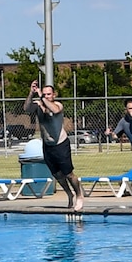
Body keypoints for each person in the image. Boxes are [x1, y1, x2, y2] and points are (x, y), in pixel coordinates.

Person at [26, 81, 83, 212]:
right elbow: (27, 108)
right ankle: (69, 194)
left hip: (60, 144)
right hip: (47, 145)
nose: (46, 96)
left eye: (48, 94)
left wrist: (41, 98)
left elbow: (54, 110)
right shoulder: (39, 105)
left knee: (69, 174)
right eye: (44, 94)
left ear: (54, 95)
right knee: (57, 175)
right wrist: (31, 93)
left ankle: (79, 195)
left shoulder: (58, 105)